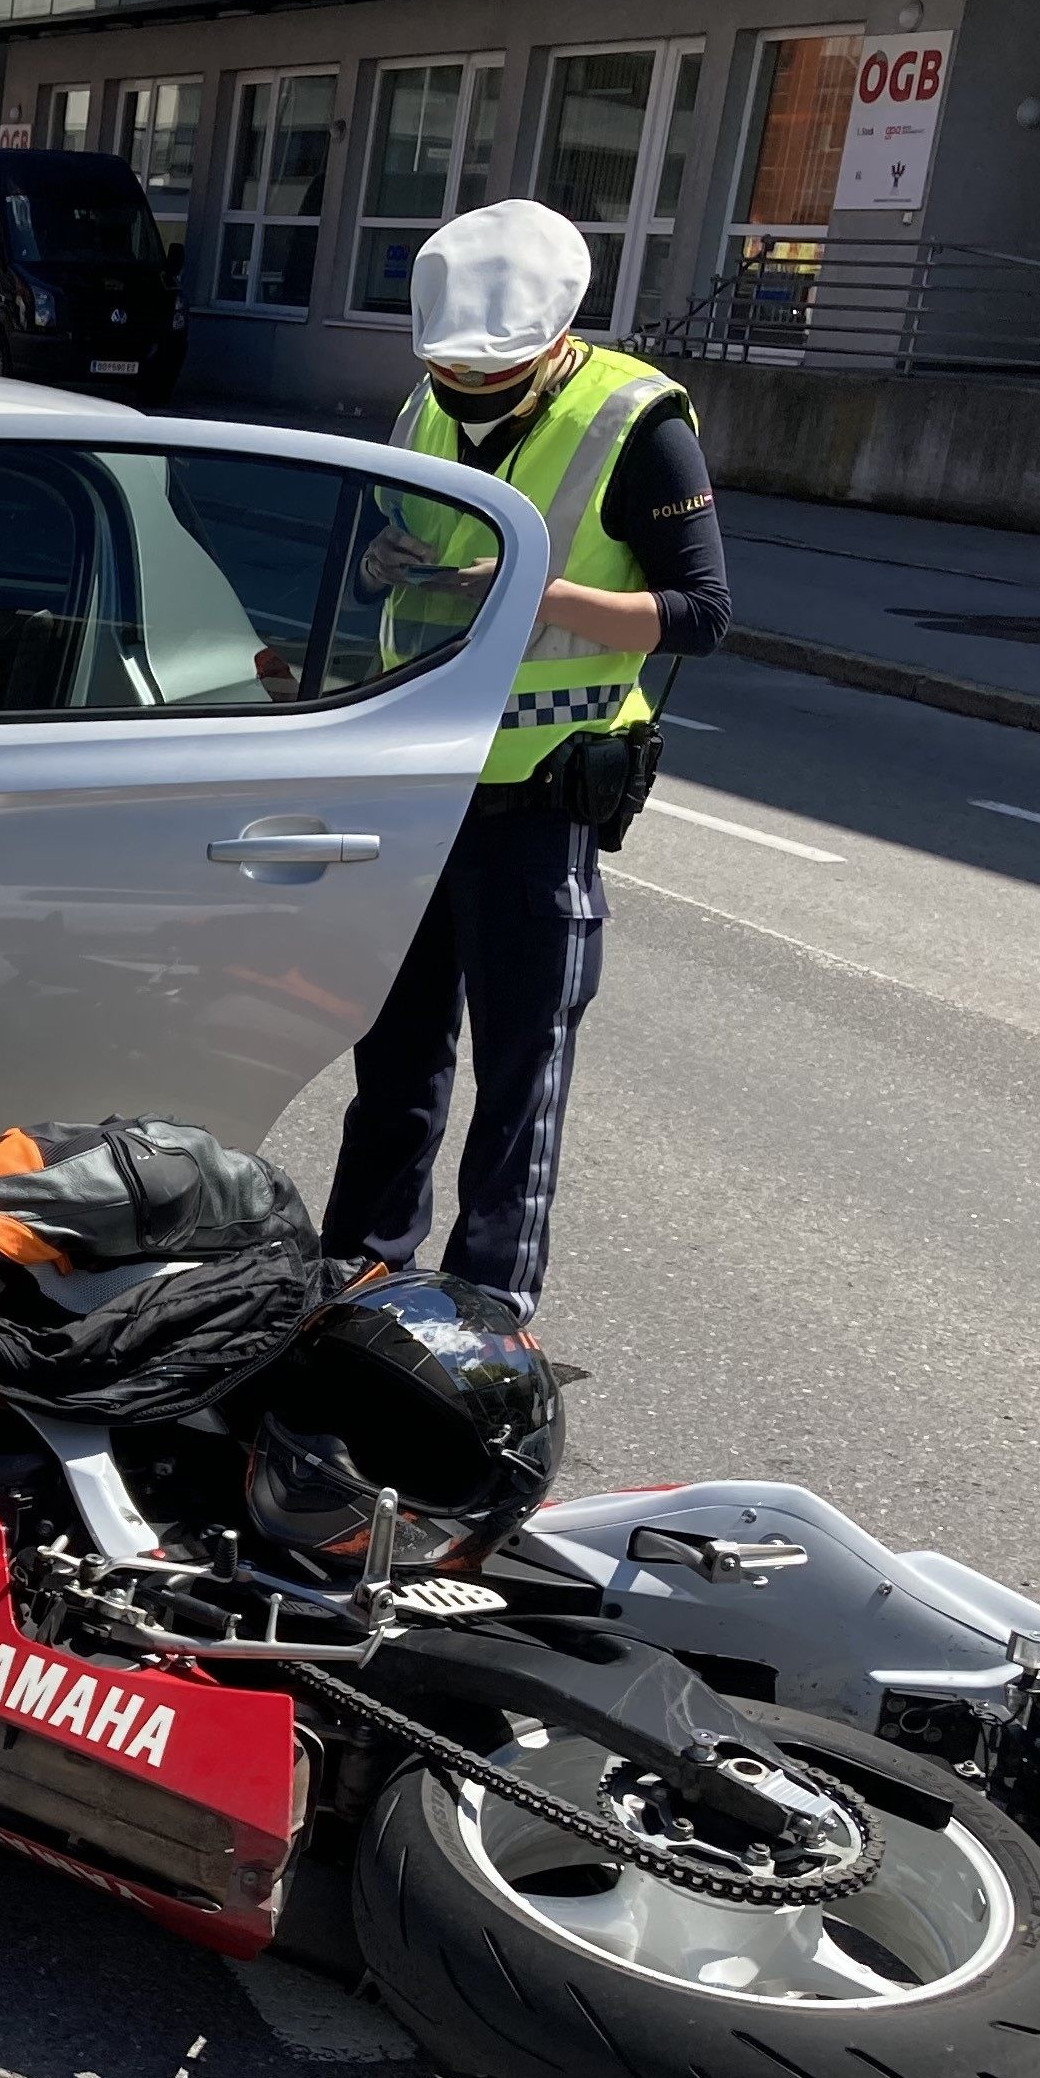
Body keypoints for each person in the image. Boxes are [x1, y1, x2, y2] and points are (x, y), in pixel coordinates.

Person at [317, 195, 731, 1323]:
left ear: (554, 344)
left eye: (489, 376)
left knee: (519, 1074)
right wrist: (377, 570)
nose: (466, 392)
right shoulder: (426, 400)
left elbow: (701, 613)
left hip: (542, 800)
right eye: (450, 373)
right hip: (421, 781)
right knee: (394, 1060)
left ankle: (490, 1305)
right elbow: (378, 561)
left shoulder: (638, 422)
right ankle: (357, 1269)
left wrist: (540, 596)